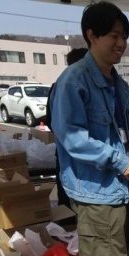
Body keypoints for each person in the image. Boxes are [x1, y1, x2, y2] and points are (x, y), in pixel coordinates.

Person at [49, 1, 129, 256]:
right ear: (92, 36)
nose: (121, 43)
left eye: (124, 36)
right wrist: (118, 160)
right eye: (114, 36)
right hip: (97, 194)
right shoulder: (74, 80)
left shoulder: (118, 83)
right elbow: (71, 137)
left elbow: (127, 136)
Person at [45, 47, 88, 209]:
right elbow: (55, 123)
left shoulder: (58, 86)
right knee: (69, 189)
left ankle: (66, 219)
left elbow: (50, 120)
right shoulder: (66, 87)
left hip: (65, 152)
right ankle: (67, 221)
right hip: (73, 155)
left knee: (65, 187)